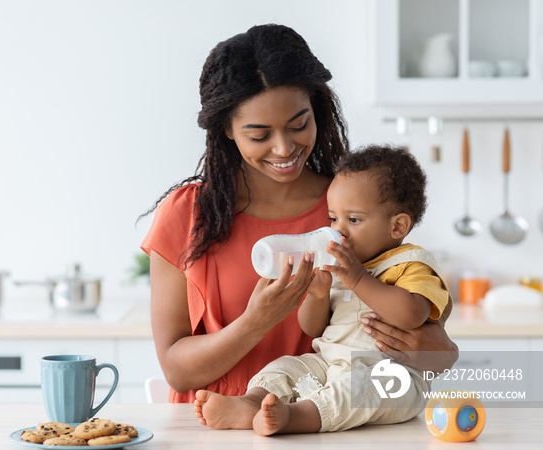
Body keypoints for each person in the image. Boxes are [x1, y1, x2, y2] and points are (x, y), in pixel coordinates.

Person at [140, 24, 458, 404]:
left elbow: (426, 337)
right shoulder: (188, 214)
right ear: (227, 128)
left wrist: (441, 352)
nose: (283, 147)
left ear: (316, 110)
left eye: (299, 125)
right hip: (215, 430)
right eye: (259, 135)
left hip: (329, 425)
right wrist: (256, 321)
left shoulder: (353, 210)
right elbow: (177, 371)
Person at [193, 144, 452, 435]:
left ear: (398, 226)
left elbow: (411, 315)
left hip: (390, 375)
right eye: (333, 218)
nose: (339, 230)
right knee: (286, 367)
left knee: (360, 389)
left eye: (353, 220)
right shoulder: (342, 265)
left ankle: (294, 418)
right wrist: (316, 296)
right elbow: (312, 329)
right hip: (328, 363)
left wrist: (358, 280)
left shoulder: (412, 263)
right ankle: (251, 403)